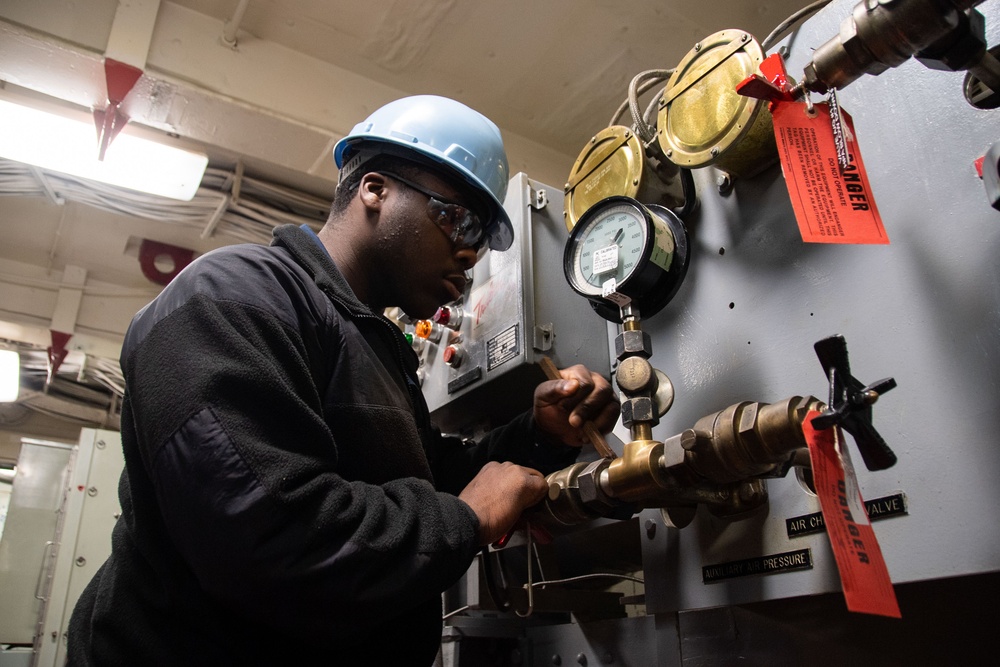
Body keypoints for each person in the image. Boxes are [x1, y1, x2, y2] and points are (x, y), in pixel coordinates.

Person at [67, 95, 619, 665]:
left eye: (481, 238)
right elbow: (272, 542)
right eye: (456, 218)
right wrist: (466, 519)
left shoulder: (372, 346)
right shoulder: (233, 297)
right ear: (374, 190)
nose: (469, 253)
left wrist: (543, 435)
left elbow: (431, 476)